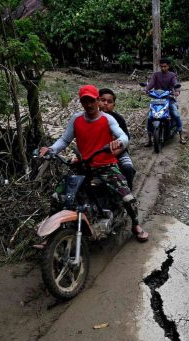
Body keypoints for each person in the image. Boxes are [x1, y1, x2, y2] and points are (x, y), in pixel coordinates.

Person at [40, 84, 149, 242]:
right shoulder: (76, 119)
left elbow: (123, 137)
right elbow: (64, 140)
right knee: (58, 196)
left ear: (97, 100)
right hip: (84, 166)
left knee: (127, 198)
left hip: (106, 167)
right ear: (81, 102)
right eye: (85, 101)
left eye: (92, 101)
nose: (89, 105)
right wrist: (51, 150)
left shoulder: (107, 118)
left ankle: (135, 224)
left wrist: (118, 143)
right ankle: (51, 236)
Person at [98, 88, 136, 191]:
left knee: (128, 168)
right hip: (96, 153)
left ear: (114, 105)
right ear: (97, 101)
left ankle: (128, 193)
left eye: (109, 102)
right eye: (103, 100)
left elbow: (126, 139)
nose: (106, 103)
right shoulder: (91, 118)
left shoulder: (118, 119)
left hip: (118, 152)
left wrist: (115, 153)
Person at [145, 58, 185, 145]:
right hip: (157, 99)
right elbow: (151, 83)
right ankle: (149, 139)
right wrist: (146, 89)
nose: (163, 68)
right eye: (161, 66)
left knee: (176, 114)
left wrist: (177, 90)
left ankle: (181, 135)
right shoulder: (156, 75)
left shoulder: (172, 75)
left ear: (168, 66)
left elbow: (175, 83)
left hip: (169, 99)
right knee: (150, 117)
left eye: (165, 66)